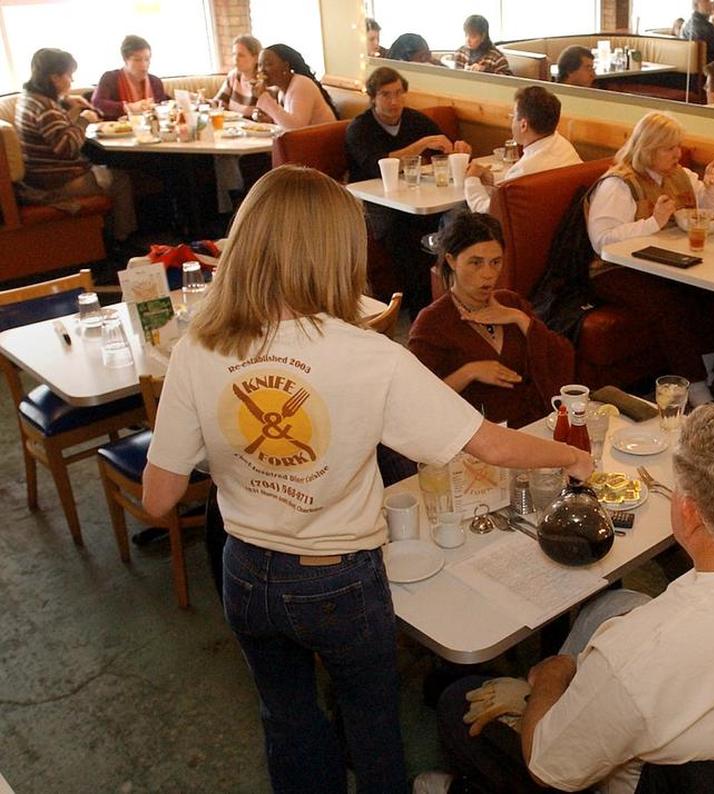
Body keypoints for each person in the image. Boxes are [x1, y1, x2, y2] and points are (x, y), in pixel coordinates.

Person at [142, 165, 593, 794]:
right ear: (337, 251)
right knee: (372, 722)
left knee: (287, 718)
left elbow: (159, 498)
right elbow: (489, 445)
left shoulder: (198, 346)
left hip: (245, 569)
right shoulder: (370, 354)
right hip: (339, 575)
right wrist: (571, 458)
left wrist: (243, 463)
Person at [432, 403, 714, 794]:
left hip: (656, 780)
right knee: (611, 607)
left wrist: (551, 678)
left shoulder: (643, 659)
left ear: (690, 512)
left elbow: (548, 767)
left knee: (456, 702)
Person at [587, 111, 714, 404]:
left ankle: (710, 370)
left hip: (660, 264)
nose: (678, 153)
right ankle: (697, 388)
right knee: (668, 303)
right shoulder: (618, 184)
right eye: (669, 148)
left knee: (713, 294)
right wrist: (653, 222)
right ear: (647, 149)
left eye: (679, 146)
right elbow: (601, 239)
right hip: (612, 270)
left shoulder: (680, 175)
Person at [409, 212, 574, 428]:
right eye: (476, 263)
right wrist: (469, 372)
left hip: (530, 426)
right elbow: (415, 399)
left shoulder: (511, 302)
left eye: (496, 262)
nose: (488, 274)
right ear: (451, 261)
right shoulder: (432, 323)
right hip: (473, 436)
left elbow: (563, 359)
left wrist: (521, 320)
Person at [345, 66, 473, 311]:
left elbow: (444, 147)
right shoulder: (360, 128)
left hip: (415, 199)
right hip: (376, 203)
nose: (394, 101)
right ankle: (420, 308)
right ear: (372, 98)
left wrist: (459, 149)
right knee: (399, 234)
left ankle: (451, 297)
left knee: (459, 216)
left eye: (398, 93)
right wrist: (422, 144)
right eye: (385, 95)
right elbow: (378, 165)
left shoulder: (415, 120)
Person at [15, 48, 136, 242]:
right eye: (69, 75)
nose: (71, 80)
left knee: (109, 171)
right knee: (120, 179)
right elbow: (68, 147)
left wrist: (66, 102)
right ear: (55, 77)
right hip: (55, 182)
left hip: (38, 176)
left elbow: (55, 133)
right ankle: (122, 238)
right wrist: (84, 119)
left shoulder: (29, 98)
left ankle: (110, 236)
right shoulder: (46, 109)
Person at [463, 85, 581, 214]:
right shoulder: (564, 146)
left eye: (513, 116)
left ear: (523, 125)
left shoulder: (524, 171)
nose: (512, 121)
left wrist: (471, 179)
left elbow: (486, 212)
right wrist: (490, 185)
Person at [252, 43, 338, 130]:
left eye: (268, 64)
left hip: (323, 140)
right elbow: (288, 122)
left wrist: (264, 97)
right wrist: (270, 120)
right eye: (259, 65)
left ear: (285, 66)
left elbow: (296, 127)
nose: (261, 70)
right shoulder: (282, 90)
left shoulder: (301, 84)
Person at [91, 34, 169, 119]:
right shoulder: (110, 78)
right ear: (125, 60)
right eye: (137, 60)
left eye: (147, 59)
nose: (144, 65)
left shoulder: (155, 82)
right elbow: (98, 102)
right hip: (120, 129)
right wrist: (129, 107)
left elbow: (163, 106)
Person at [213, 34, 262, 119]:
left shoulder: (263, 82)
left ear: (256, 58)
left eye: (241, 55)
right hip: (232, 128)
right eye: (234, 54)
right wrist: (202, 101)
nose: (235, 59)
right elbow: (218, 103)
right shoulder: (234, 76)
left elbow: (264, 118)